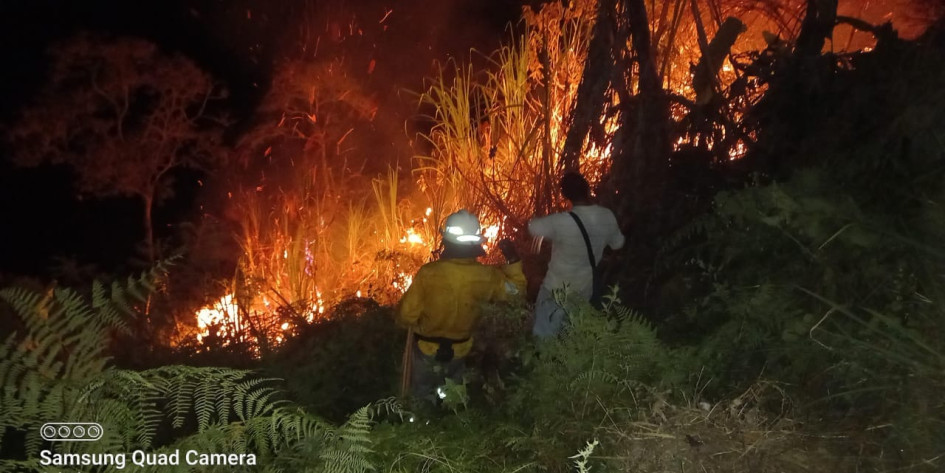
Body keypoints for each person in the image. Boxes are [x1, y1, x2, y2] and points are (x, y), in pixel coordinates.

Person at [397, 209, 525, 404]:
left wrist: (407, 321)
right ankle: (452, 426)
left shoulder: (428, 273)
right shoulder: (488, 276)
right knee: (454, 398)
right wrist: (513, 261)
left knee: (420, 397)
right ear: (476, 243)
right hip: (461, 351)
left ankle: (418, 426)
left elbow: (407, 315)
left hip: (427, 349)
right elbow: (516, 294)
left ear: (446, 241)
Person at [528, 172, 624, 338]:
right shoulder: (606, 216)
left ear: (565, 195)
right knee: (570, 339)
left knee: (543, 338)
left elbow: (532, 227)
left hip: (554, 290)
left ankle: (544, 362)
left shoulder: (560, 221)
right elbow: (618, 244)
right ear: (588, 189)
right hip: (584, 291)